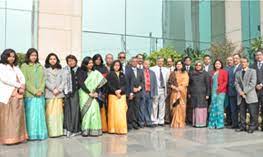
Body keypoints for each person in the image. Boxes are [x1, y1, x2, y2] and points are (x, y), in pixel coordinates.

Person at [0, 49, 28, 144]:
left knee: (17, 117)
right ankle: (8, 139)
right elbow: (5, 80)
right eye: (9, 56)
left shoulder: (16, 67)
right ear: (5, 56)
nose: (11, 58)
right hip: (7, 94)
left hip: (18, 94)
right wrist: (19, 85)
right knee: (8, 119)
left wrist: (23, 85)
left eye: (13, 56)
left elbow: (22, 77)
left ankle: (18, 138)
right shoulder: (1, 67)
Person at [21, 48, 48, 140]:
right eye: (32, 55)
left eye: (35, 55)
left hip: (40, 95)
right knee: (31, 116)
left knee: (40, 115)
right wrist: (35, 91)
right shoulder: (24, 66)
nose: (34, 57)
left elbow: (44, 79)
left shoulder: (40, 66)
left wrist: (40, 90)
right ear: (28, 56)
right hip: (30, 95)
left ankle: (41, 134)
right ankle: (31, 135)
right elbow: (25, 81)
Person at [78, 57, 107, 136]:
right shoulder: (80, 71)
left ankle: (95, 130)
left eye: (91, 63)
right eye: (88, 63)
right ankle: (85, 130)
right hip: (84, 94)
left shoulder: (96, 72)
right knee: (86, 112)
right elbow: (81, 83)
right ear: (85, 63)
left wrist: (96, 92)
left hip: (94, 94)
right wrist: (89, 92)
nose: (90, 64)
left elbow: (100, 84)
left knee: (94, 111)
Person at [235, 57, 259, 133]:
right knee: (242, 112)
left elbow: (253, 83)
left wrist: (244, 92)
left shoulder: (252, 71)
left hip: (250, 96)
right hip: (240, 96)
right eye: (241, 62)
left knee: (252, 113)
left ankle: (252, 127)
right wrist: (240, 92)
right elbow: (236, 83)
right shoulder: (238, 72)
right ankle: (242, 126)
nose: (243, 63)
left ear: (248, 63)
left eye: (244, 62)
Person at [44, 53, 65, 137]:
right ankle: (51, 132)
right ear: (48, 60)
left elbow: (64, 81)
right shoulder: (45, 70)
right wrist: (53, 89)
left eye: (54, 59)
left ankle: (59, 132)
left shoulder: (61, 70)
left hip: (59, 94)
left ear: (57, 60)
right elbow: (45, 81)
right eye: (51, 59)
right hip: (50, 93)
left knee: (59, 114)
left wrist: (59, 89)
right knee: (50, 114)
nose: (53, 60)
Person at [106, 60, 128, 134]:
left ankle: (121, 129)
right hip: (113, 95)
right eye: (115, 65)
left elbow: (125, 84)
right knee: (113, 113)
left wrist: (120, 90)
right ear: (113, 66)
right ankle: (112, 129)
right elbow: (108, 85)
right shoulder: (109, 74)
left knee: (121, 113)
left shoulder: (122, 74)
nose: (117, 67)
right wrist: (115, 91)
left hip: (121, 96)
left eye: (118, 65)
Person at [63, 55, 81, 137]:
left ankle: (75, 129)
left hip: (75, 93)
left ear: (76, 61)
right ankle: (68, 129)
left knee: (75, 112)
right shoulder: (65, 70)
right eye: (69, 61)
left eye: (73, 60)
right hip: (67, 93)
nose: (71, 62)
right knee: (67, 112)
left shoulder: (79, 70)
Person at [168, 60, 189, 128]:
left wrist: (179, 89)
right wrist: (174, 87)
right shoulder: (173, 73)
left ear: (182, 65)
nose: (178, 65)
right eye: (177, 64)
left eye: (180, 64)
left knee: (181, 107)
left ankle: (181, 122)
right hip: (174, 92)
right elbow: (169, 83)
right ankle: (174, 123)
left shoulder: (185, 73)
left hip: (182, 93)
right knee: (174, 107)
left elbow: (185, 83)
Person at [125, 57, 145, 129]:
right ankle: (129, 124)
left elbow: (142, 81)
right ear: (131, 62)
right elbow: (127, 82)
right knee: (130, 109)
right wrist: (131, 91)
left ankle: (135, 123)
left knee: (137, 108)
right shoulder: (128, 71)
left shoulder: (140, 71)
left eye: (136, 61)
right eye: (133, 61)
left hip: (138, 93)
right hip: (130, 93)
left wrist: (139, 88)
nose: (135, 63)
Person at [189, 61, 210, 127]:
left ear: (202, 66)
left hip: (203, 94)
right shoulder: (192, 73)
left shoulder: (205, 74)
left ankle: (202, 123)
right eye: (197, 65)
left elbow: (208, 85)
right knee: (195, 108)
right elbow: (189, 84)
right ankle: (196, 123)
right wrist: (189, 92)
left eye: (199, 65)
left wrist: (207, 94)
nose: (198, 66)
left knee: (201, 108)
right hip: (194, 94)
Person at [208, 59, 228, 129]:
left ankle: (219, 124)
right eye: (216, 64)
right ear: (214, 65)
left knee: (220, 107)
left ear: (221, 65)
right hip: (213, 91)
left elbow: (225, 82)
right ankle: (212, 124)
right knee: (213, 107)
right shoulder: (212, 72)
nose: (217, 65)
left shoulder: (224, 72)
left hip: (221, 92)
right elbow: (211, 83)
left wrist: (219, 89)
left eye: (219, 64)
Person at [150, 57, 169, 127]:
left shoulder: (166, 70)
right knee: (154, 105)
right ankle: (154, 120)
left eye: (162, 61)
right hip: (156, 89)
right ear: (156, 61)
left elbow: (167, 81)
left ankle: (161, 120)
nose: (160, 62)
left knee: (162, 105)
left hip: (163, 89)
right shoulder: (152, 69)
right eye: (159, 61)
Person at [93, 54, 109, 133]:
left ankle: (103, 127)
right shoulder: (92, 68)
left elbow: (106, 79)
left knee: (102, 108)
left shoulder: (104, 68)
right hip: (94, 91)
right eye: (96, 59)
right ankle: (95, 126)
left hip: (103, 90)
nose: (98, 61)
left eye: (99, 59)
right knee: (95, 108)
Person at [227, 54, 242, 129]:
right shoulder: (230, 68)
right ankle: (234, 124)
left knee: (241, 109)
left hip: (240, 92)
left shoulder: (242, 67)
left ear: (240, 59)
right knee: (233, 109)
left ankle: (242, 125)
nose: (235, 60)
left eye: (237, 58)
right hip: (231, 92)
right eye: (234, 58)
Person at [143, 60, 158, 127]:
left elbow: (155, 83)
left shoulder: (152, 73)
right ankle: (143, 121)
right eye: (146, 64)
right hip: (143, 92)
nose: (147, 65)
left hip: (150, 92)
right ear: (143, 64)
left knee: (149, 107)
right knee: (142, 107)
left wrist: (155, 93)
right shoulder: (140, 72)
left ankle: (148, 121)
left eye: (148, 64)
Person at [251, 51, 263, 130]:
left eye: (260, 55)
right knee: (254, 109)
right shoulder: (252, 66)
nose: (258, 56)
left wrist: (261, 84)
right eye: (257, 55)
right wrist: (255, 85)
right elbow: (250, 77)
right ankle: (254, 125)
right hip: (255, 90)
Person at [225, 56, 234, 127]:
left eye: (230, 60)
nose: (229, 61)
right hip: (225, 91)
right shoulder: (225, 69)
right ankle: (228, 121)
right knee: (227, 107)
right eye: (228, 60)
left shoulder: (235, 68)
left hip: (233, 91)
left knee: (233, 108)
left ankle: (234, 122)